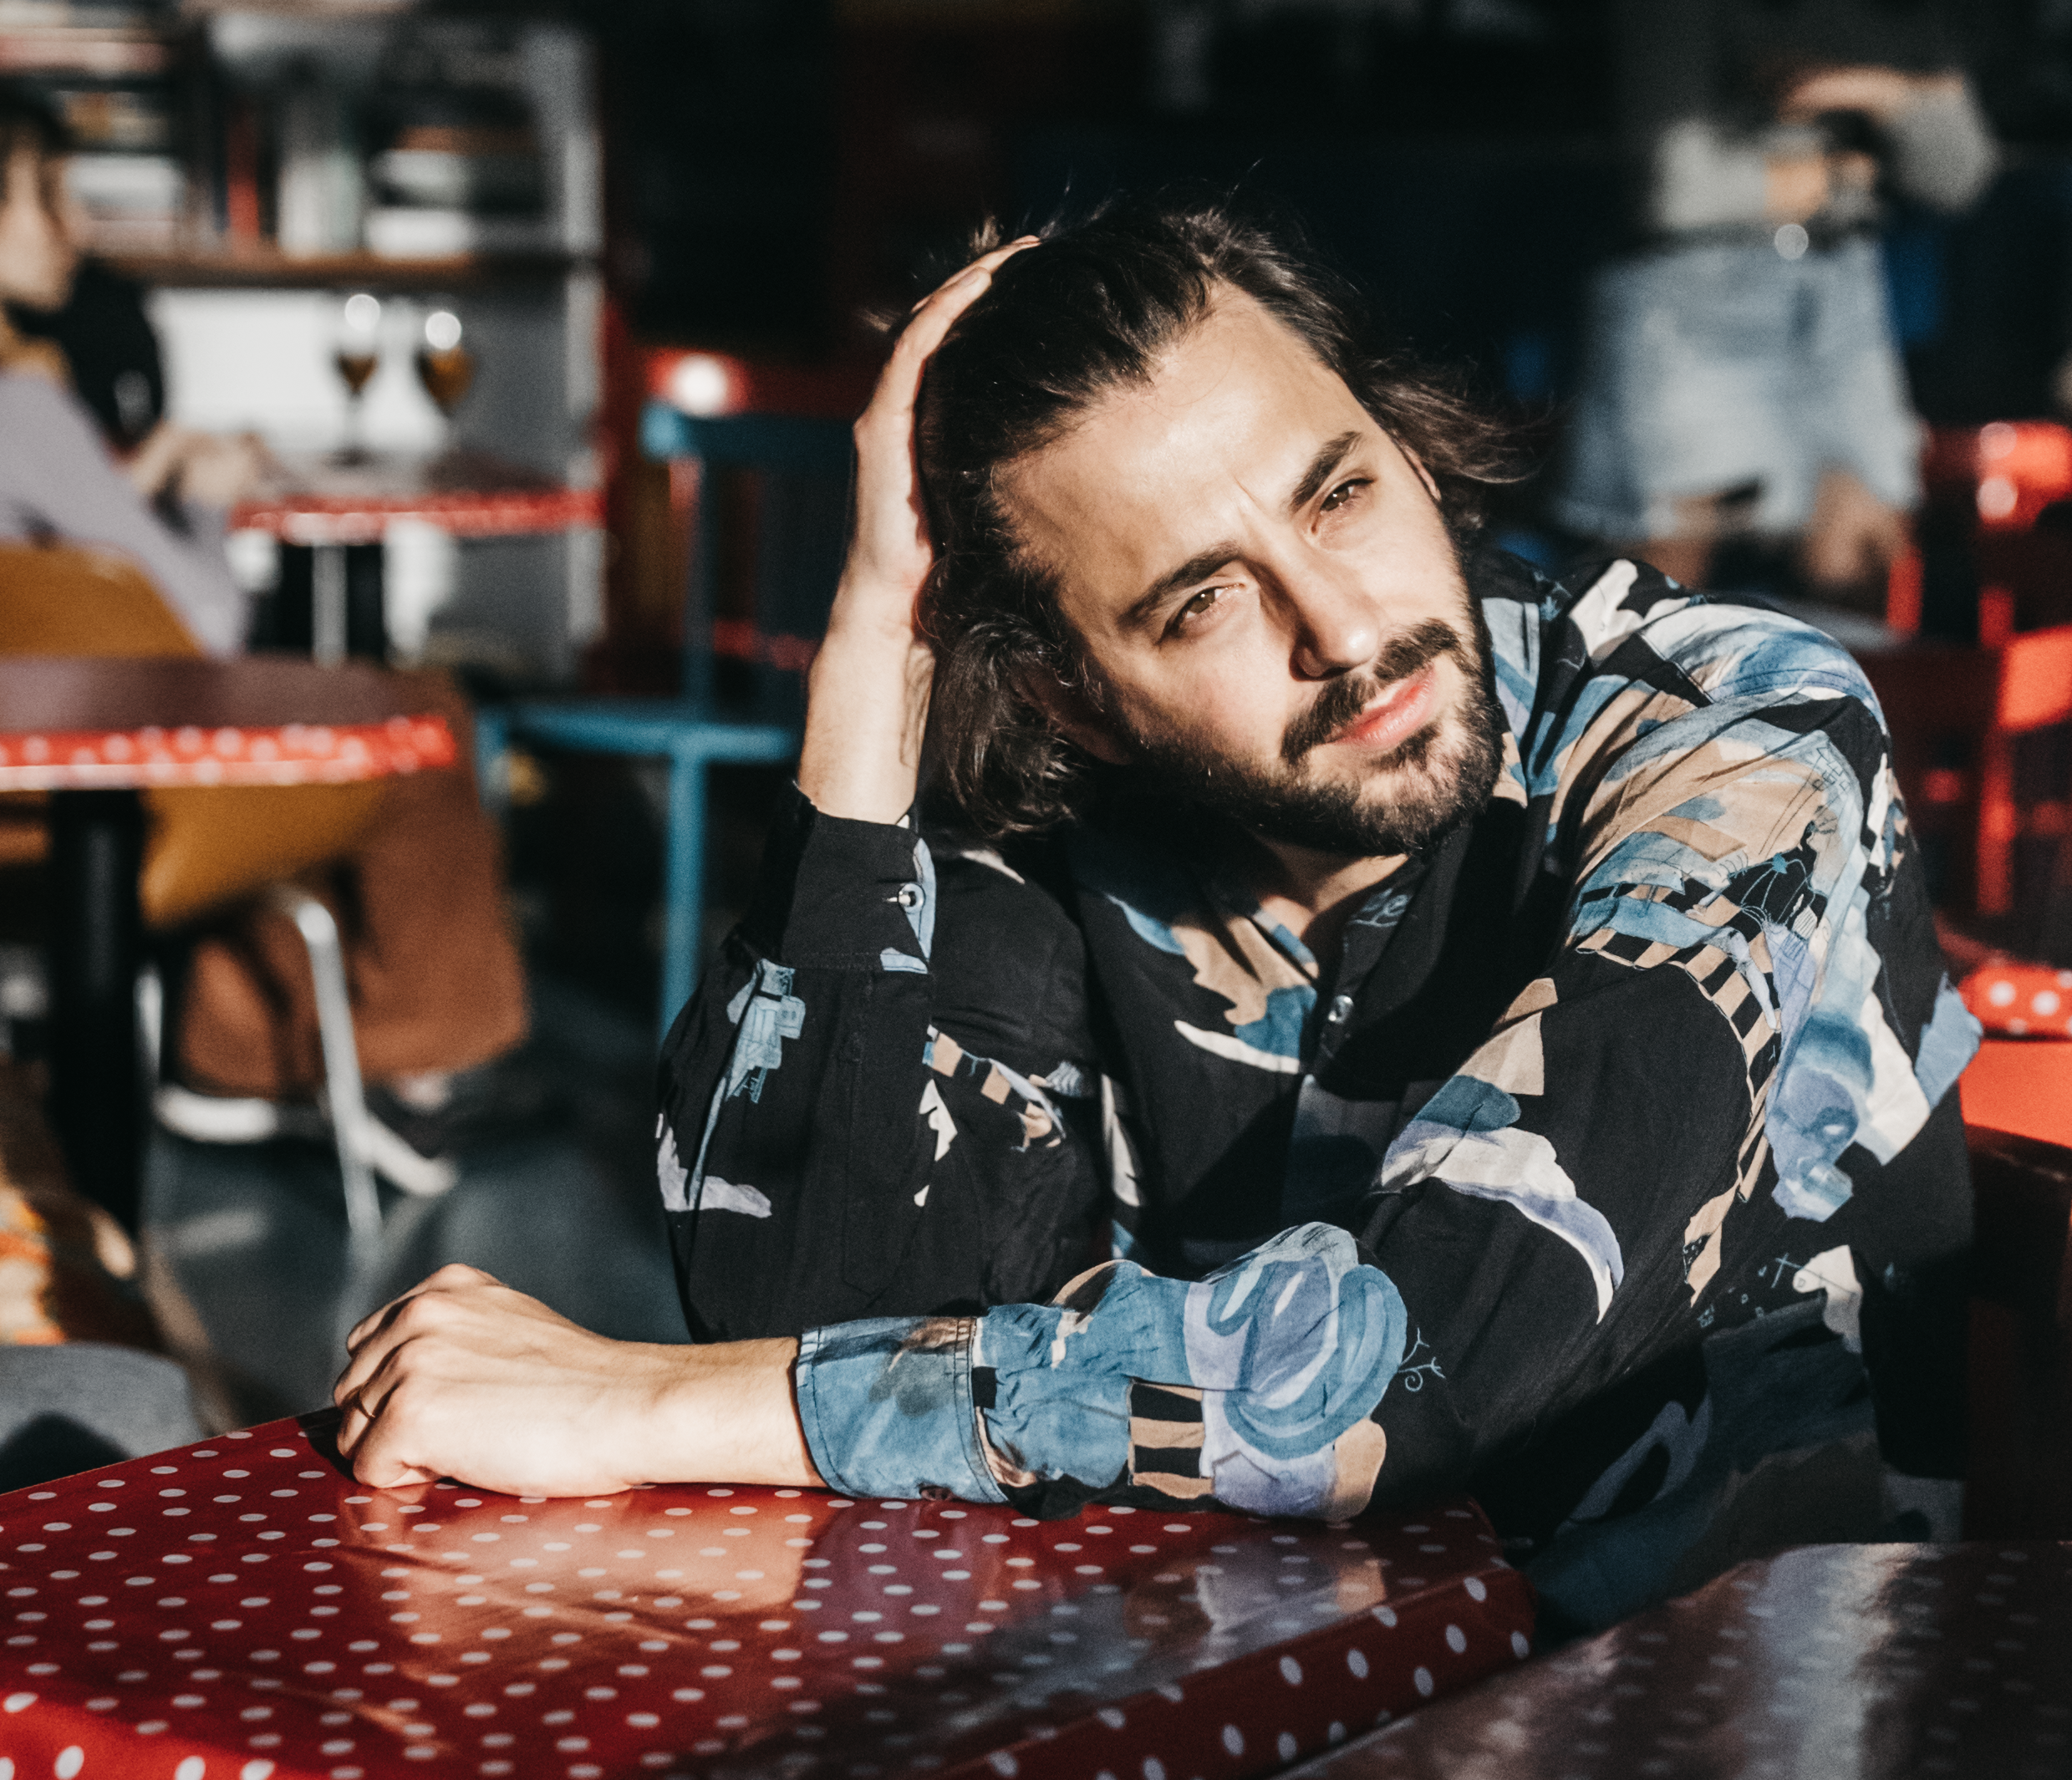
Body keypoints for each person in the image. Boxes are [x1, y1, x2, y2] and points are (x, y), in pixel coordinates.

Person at [334, 199, 1978, 1629]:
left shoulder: (1736, 741)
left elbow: (1407, 1367)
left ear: (1401, 445)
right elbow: (806, 1310)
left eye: (1335, 494)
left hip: (1691, 1721)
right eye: (1202, 599)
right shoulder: (1079, 827)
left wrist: (638, 1408)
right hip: (1221, 1699)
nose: (1341, 630)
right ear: (1074, 694)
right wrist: (868, 678)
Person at [0, 83, 529, 1168]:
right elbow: (205, 620)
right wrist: (207, 492)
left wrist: (133, 481)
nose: (80, 227)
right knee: (422, 713)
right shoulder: (23, 396)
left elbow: (69, 573)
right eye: (49, 196)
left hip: (30, 772)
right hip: (130, 787)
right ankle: (389, 1066)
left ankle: (242, 1035)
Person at [1554, 0, 1998, 602]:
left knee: (1859, 569)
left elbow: (1961, 175)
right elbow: (1674, 189)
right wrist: (1844, 177)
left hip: (1843, 292)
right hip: (1693, 298)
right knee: (1654, 598)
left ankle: (1822, 697)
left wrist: (1883, 90)